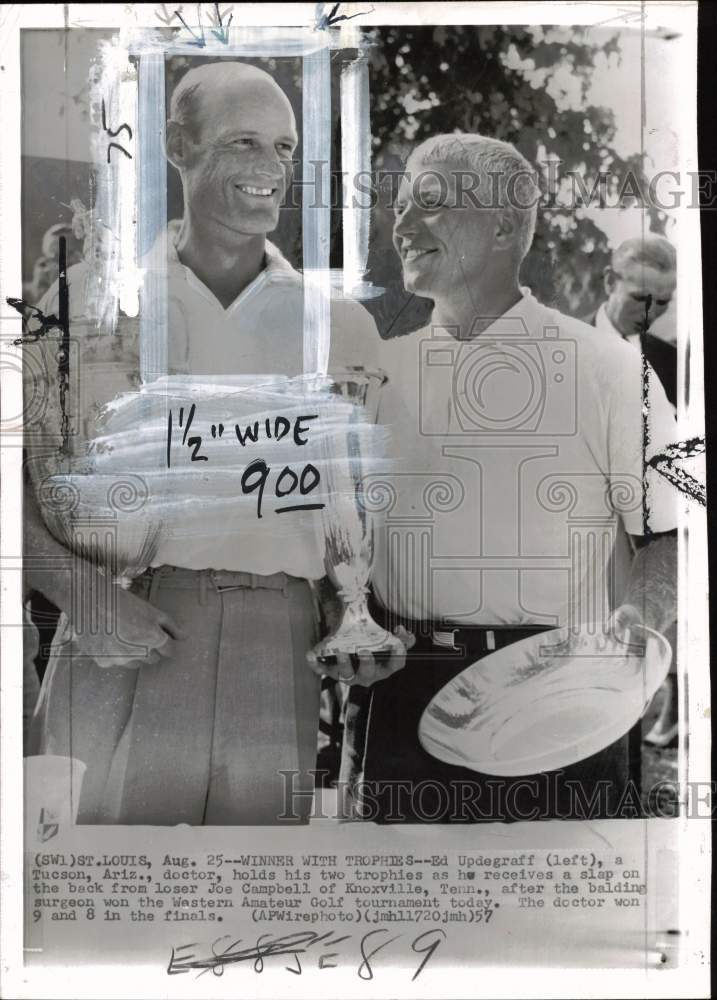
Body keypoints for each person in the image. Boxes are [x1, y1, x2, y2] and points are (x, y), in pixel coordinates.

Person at [24, 60, 406, 826]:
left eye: (284, 148)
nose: (270, 170)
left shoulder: (342, 326)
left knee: (250, 914)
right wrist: (80, 593)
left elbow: (353, 513)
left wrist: (352, 616)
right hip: (121, 625)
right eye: (243, 142)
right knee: (93, 904)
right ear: (179, 146)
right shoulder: (80, 305)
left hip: (279, 644)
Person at [352, 133, 678, 823]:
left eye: (430, 204)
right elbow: (340, 541)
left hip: (559, 700)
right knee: (405, 927)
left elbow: (670, 535)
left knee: (559, 923)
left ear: (503, 224)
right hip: (402, 700)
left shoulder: (611, 370)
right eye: (400, 206)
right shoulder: (378, 372)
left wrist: (638, 619)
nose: (402, 225)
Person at [589, 236, 677, 407]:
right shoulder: (561, 345)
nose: (649, 315)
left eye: (662, 302)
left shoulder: (674, 363)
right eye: (640, 298)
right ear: (610, 282)